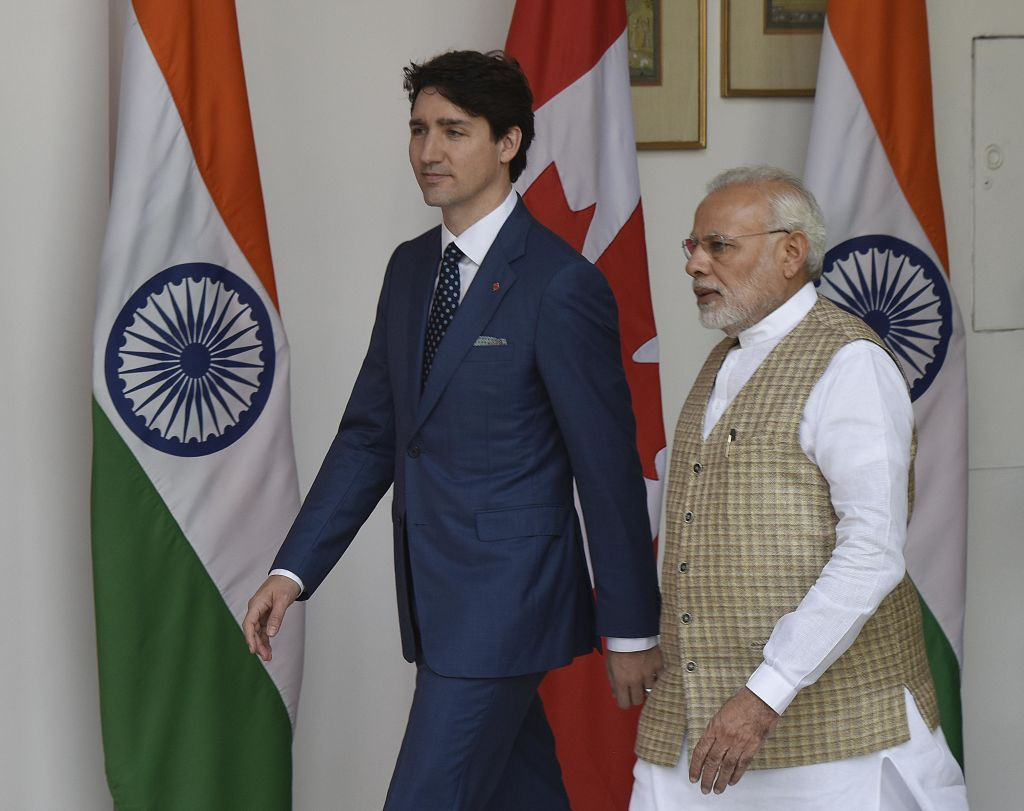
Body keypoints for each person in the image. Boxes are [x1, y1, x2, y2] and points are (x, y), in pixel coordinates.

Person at [242, 50, 662, 811]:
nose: (428, 151)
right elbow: (371, 435)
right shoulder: (410, 269)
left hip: (508, 599)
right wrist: (293, 571)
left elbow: (606, 468)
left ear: (508, 143)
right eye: (418, 129)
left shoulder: (562, 283)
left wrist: (631, 627)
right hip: (433, 597)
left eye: (454, 130)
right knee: (522, 792)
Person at [630, 166, 967, 810]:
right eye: (693, 246)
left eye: (719, 245)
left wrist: (766, 692)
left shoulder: (851, 362)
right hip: (695, 725)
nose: (695, 264)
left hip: (835, 736)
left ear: (791, 252)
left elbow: (871, 553)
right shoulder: (724, 358)